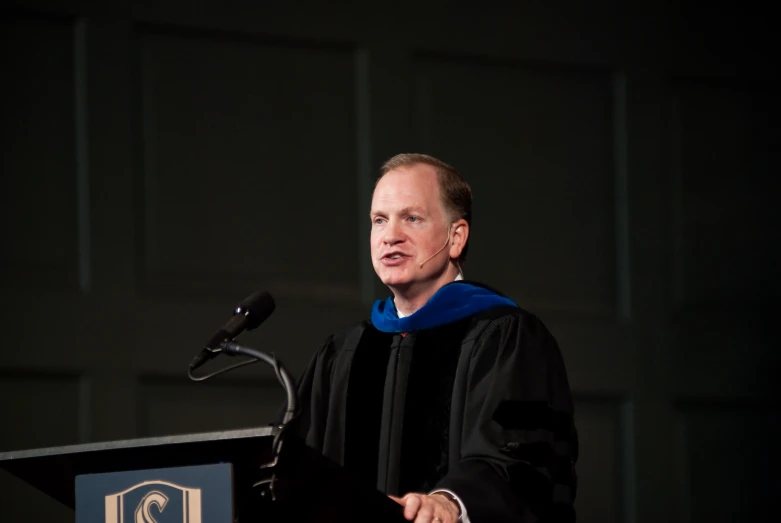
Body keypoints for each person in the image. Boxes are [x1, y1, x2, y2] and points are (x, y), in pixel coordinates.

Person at [293, 153, 578, 522]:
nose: (390, 236)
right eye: (379, 220)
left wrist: (450, 503)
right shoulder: (342, 353)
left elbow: (523, 459)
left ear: (456, 237)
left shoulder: (506, 338)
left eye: (411, 218)